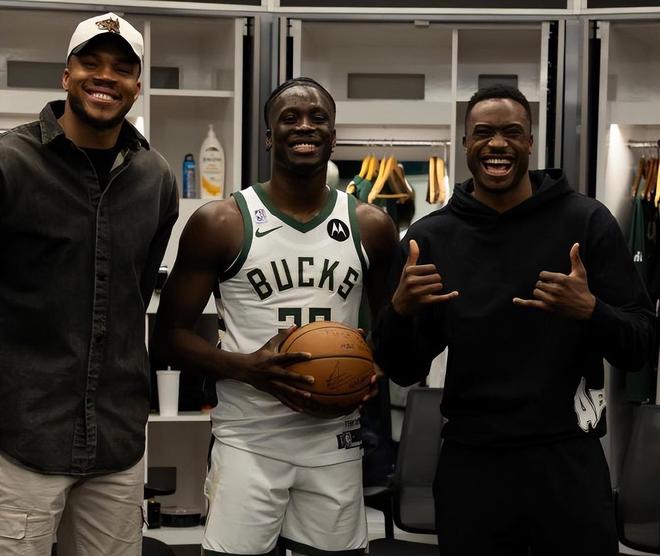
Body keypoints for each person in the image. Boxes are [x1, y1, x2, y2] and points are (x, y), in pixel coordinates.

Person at [372, 84, 654, 556]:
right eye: (483, 132)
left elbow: (640, 344)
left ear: (530, 142)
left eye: (512, 132)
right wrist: (398, 312)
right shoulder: (431, 239)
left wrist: (591, 311)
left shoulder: (586, 222)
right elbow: (400, 369)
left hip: (568, 458)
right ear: (466, 143)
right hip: (472, 463)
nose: (497, 143)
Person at [151, 77, 397, 556]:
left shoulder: (371, 226)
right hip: (249, 439)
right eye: (290, 118)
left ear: (332, 136)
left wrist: (374, 369)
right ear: (268, 136)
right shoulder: (221, 222)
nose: (304, 126)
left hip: (335, 438)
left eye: (317, 118)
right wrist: (247, 369)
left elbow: (388, 334)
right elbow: (167, 337)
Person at [0, 12, 178, 556]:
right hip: (20, 438)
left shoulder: (156, 179)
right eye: (91, 63)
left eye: (122, 69)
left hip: (116, 441)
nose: (105, 77)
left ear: (137, 87)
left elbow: (135, 295)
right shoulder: (11, 163)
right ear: (66, 75)